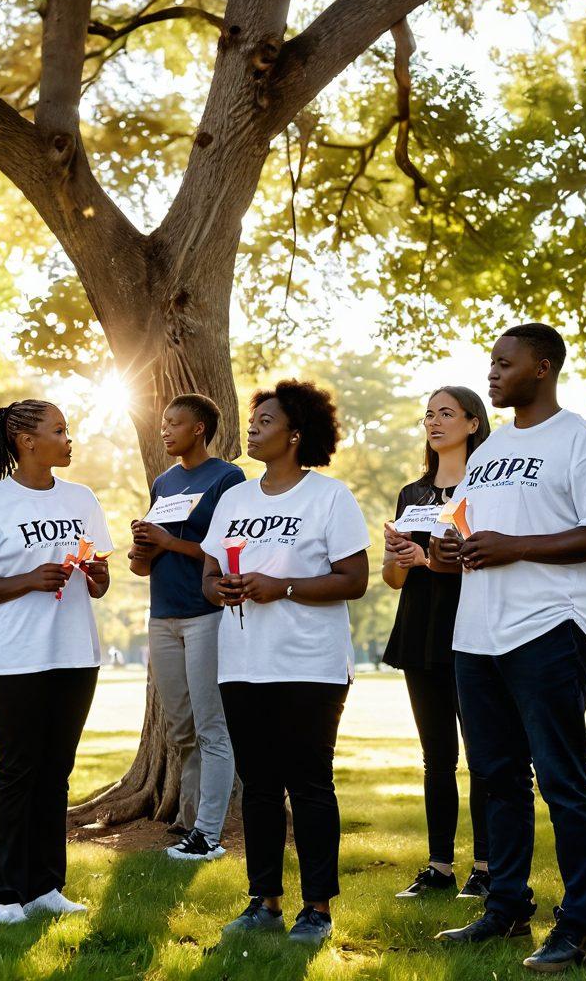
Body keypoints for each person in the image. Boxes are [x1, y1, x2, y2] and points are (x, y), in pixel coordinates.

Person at [431, 324, 586, 973]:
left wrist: (516, 548)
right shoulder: (487, 454)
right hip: (478, 633)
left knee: (562, 778)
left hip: (550, 626)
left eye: (503, 363)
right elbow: (460, 526)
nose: (491, 373)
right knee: (496, 777)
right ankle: (507, 908)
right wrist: (444, 549)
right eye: (490, 362)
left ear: (542, 369)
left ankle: (580, 927)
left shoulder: (582, 442)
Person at [201, 380, 369, 946]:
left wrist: (284, 586)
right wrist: (221, 588)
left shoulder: (329, 497)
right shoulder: (235, 499)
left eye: (265, 420)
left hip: (309, 666)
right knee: (260, 786)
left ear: (295, 434)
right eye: (254, 419)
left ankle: (317, 908)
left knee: (310, 785)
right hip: (242, 663)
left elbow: (355, 579)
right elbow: (207, 576)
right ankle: (264, 900)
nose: (253, 428)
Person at [0, 400, 112, 925]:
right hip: (13, 659)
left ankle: (46, 886)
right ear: (26, 440)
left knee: (56, 774)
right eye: (60, 430)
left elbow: (102, 579)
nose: (70, 440)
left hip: (75, 654)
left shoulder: (83, 498)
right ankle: (6, 895)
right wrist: (28, 579)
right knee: (17, 771)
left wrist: (94, 577)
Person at [382, 386, 492, 899]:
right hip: (420, 629)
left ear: (473, 423)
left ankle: (488, 867)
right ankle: (440, 867)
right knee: (437, 757)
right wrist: (398, 558)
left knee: (485, 754)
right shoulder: (412, 494)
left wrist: (431, 561)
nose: (434, 422)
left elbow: (486, 561)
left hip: (474, 629)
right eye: (429, 414)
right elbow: (393, 579)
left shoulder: (487, 485)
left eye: (446, 413)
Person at [128, 394, 243, 861]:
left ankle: (207, 833)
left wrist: (170, 542)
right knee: (179, 729)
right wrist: (144, 544)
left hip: (205, 613)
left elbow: (225, 548)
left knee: (212, 726)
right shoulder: (164, 482)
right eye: (162, 423)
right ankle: (189, 822)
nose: (165, 430)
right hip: (163, 614)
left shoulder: (226, 478)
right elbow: (143, 565)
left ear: (198, 429)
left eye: (174, 423)